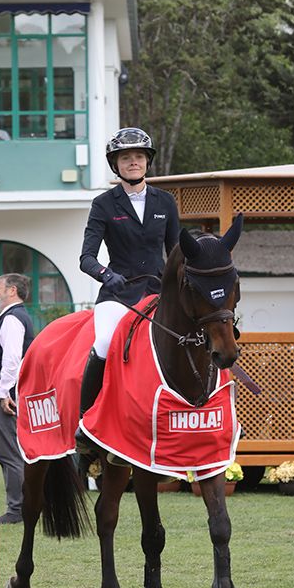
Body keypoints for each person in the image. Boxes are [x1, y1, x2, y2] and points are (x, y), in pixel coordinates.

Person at [75, 127, 180, 454]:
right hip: (119, 295)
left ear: (147, 162)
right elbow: (86, 258)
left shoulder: (166, 201)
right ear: (116, 165)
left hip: (158, 293)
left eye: (138, 157)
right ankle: (86, 419)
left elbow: (176, 251)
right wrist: (107, 276)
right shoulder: (104, 204)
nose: (132, 162)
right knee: (105, 343)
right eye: (125, 158)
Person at [0, 273, 34, 524]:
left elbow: (11, 359)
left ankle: (16, 509)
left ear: (12, 291)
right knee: (8, 452)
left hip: (5, 396)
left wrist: (4, 392)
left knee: (8, 453)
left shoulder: (12, 319)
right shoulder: (10, 318)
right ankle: (18, 507)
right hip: (5, 394)